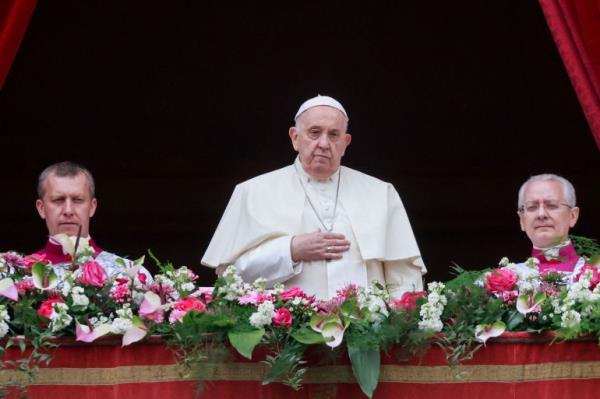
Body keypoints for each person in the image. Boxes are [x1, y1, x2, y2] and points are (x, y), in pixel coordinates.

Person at [202, 95, 425, 299]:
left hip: (368, 336)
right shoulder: (252, 191)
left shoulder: (380, 193)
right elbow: (231, 278)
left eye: (334, 134)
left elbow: (403, 278)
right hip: (283, 338)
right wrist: (291, 250)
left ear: (345, 143)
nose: (324, 143)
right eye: (315, 132)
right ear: (295, 137)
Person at [32, 161, 151, 280]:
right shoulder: (18, 275)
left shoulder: (132, 276)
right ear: (41, 208)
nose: (68, 210)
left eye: (78, 200)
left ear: (92, 207)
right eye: (58, 200)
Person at [517, 173, 586, 274]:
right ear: (522, 220)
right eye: (532, 207)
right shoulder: (503, 282)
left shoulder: (595, 273)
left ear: (573, 216)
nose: (541, 214)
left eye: (552, 205)